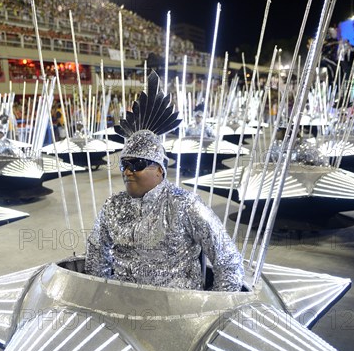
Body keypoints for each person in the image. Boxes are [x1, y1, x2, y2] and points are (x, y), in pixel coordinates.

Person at [85, 71, 244, 292]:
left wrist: (214, 310)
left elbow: (228, 260)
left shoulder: (185, 205)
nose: (128, 171)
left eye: (138, 164)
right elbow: (96, 254)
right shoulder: (113, 205)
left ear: (159, 170)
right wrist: (98, 296)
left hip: (179, 311)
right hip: (122, 308)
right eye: (125, 164)